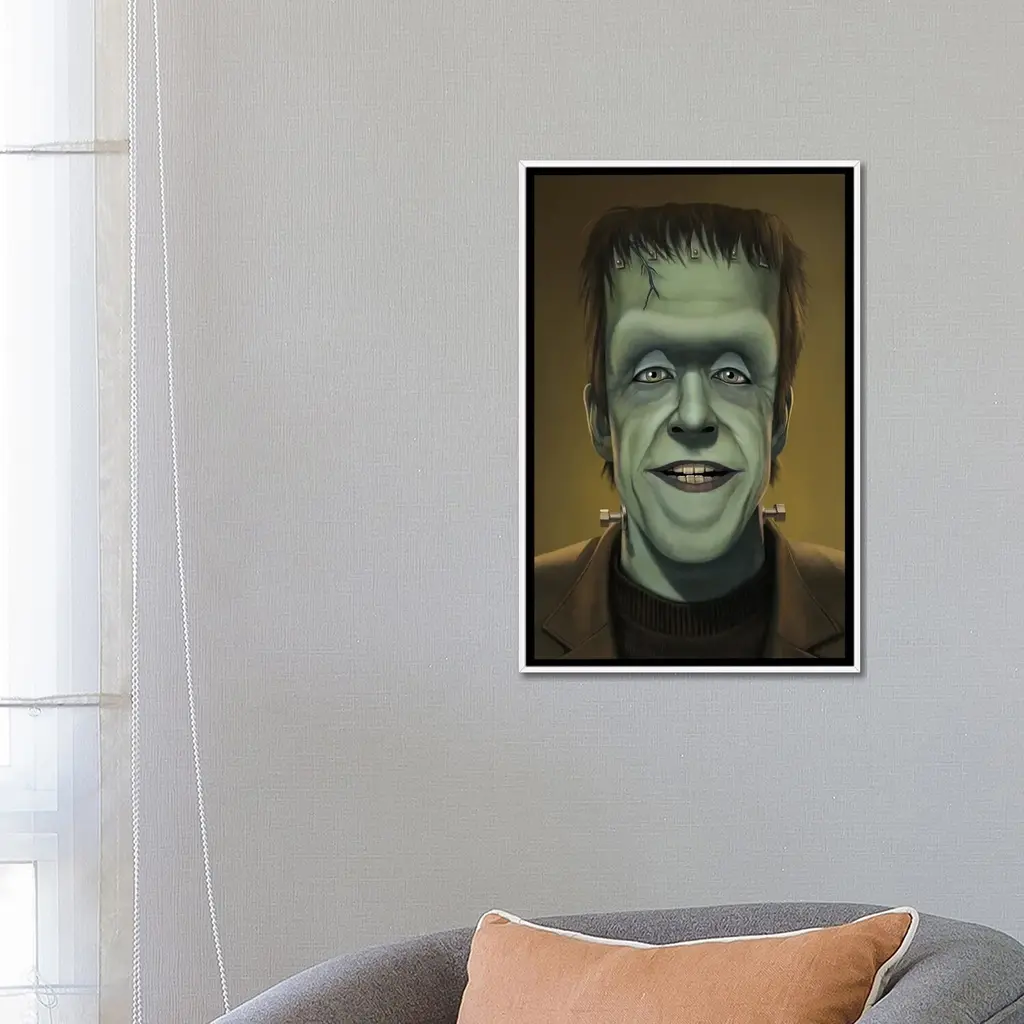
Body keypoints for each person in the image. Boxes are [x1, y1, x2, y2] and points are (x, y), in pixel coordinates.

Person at [532, 202, 846, 662]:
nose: (695, 416)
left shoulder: (869, 607)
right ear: (600, 420)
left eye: (733, 374)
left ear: (778, 420)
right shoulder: (512, 610)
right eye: (651, 373)